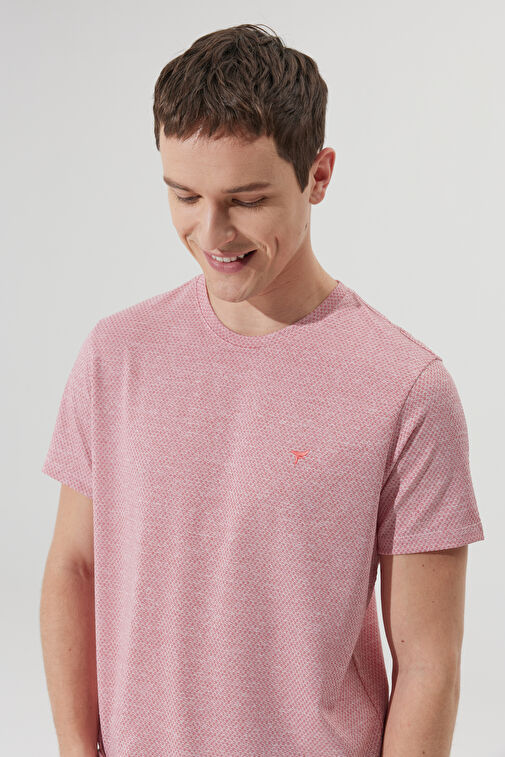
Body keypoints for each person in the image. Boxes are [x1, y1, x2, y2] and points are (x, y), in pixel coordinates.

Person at [39, 23, 485, 757]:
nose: (211, 231)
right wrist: (72, 743)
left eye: (246, 199)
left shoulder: (405, 389)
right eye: (184, 194)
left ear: (318, 174)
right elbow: (73, 565)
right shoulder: (117, 355)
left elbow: (429, 663)